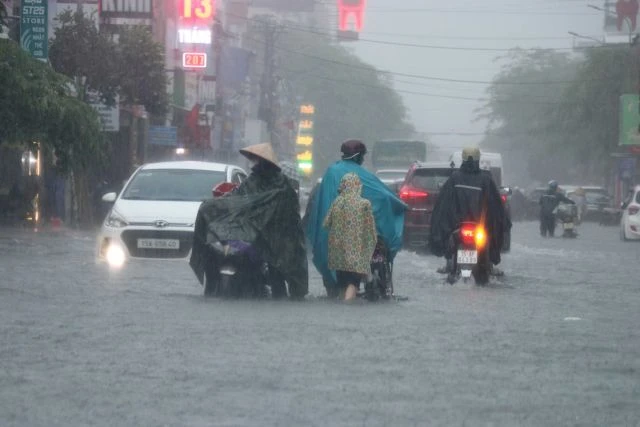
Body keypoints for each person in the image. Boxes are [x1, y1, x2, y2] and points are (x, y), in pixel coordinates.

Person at [190, 143, 308, 300]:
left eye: (256, 160)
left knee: (277, 271)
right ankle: (281, 299)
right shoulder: (268, 182)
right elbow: (237, 199)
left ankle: (281, 297)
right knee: (277, 272)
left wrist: (212, 206)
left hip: (273, 233)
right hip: (275, 235)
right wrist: (213, 204)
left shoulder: (276, 184)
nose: (254, 162)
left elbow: (239, 199)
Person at [306, 139, 406, 298]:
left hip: (336, 244)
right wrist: (400, 206)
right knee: (353, 279)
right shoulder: (364, 188)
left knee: (342, 278)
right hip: (359, 247)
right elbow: (383, 199)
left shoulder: (332, 177)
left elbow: (323, 217)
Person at [429, 147, 510, 275]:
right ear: (478, 160)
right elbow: (496, 207)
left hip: (459, 227)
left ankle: (451, 264)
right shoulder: (485, 179)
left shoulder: (455, 178)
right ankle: (454, 263)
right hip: (470, 228)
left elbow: (443, 205)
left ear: (463, 159)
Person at [323, 173, 377, 301]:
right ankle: (347, 307)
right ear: (357, 186)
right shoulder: (364, 204)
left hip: (338, 252)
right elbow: (370, 229)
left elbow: (325, 224)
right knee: (353, 283)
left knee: (342, 284)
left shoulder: (337, 202)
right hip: (356, 252)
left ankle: (342, 308)